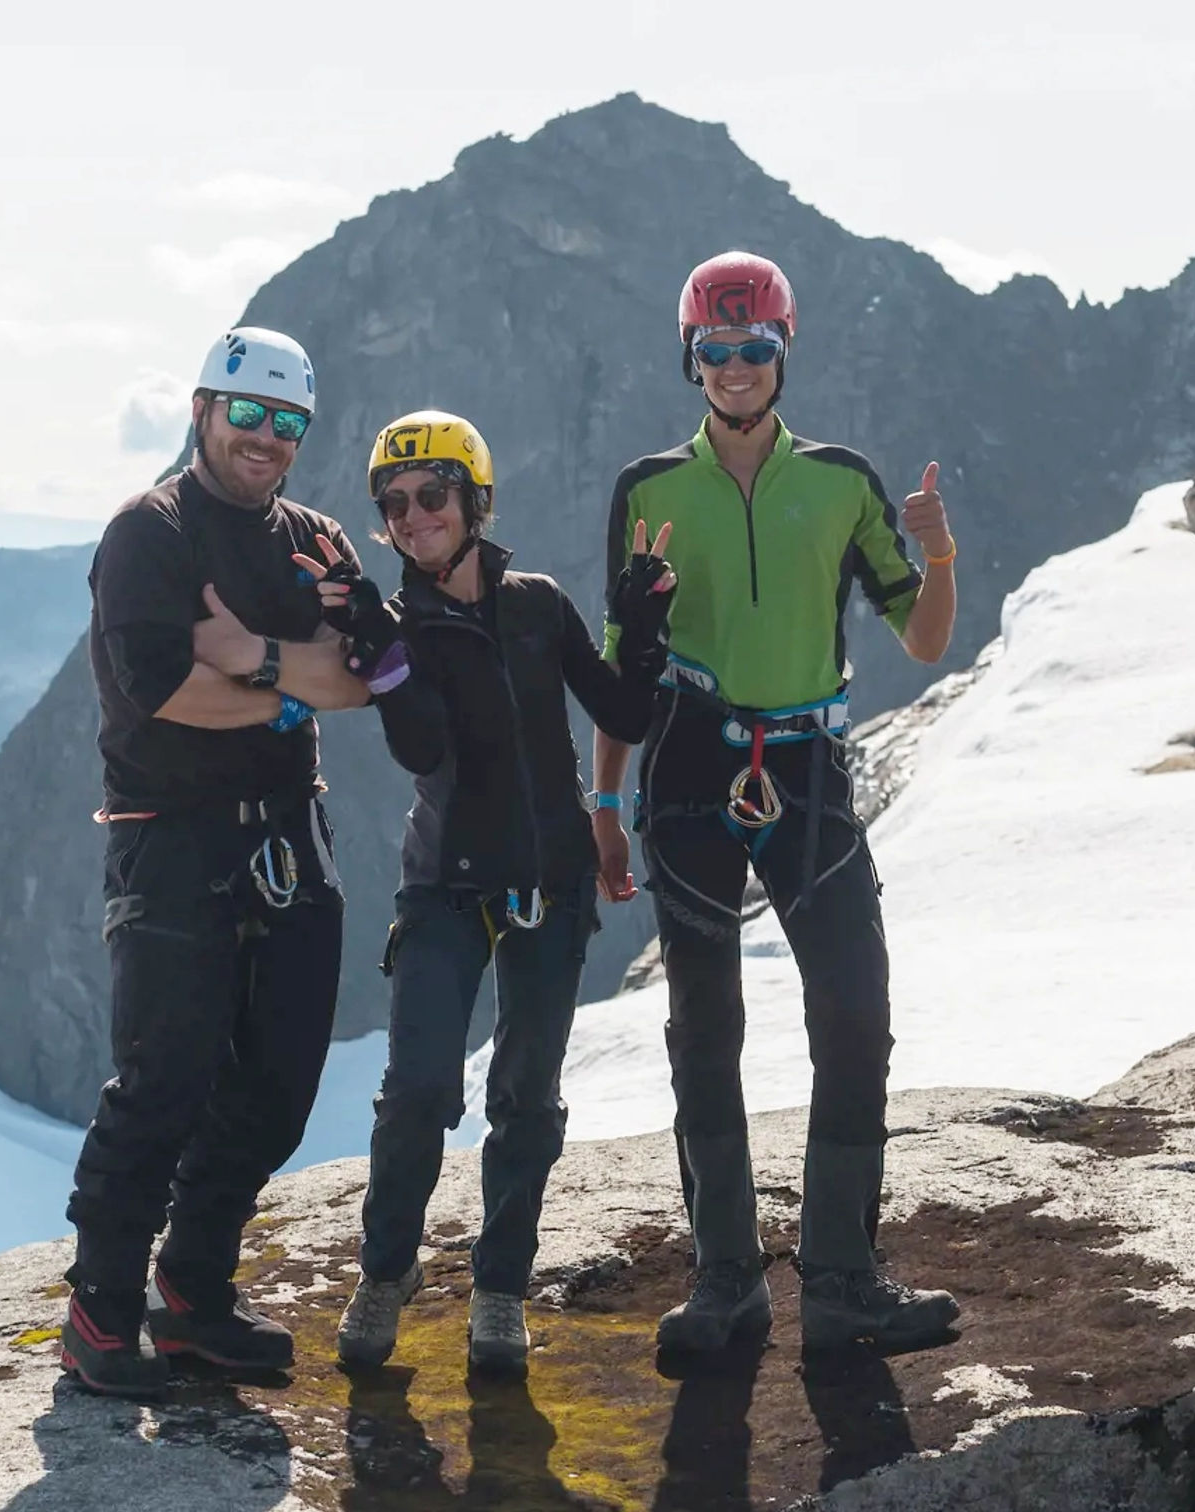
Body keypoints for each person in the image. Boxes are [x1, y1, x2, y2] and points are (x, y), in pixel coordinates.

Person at [591, 252, 962, 1357]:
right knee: (705, 1029)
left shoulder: (843, 482)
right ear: (689, 356)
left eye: (755, 349)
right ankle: (727, 1285)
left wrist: (937, 553)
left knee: (856, 1014)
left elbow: (925, 637)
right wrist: (602, 799)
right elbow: (624, 663)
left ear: (785, 350)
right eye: (716, 349)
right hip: (692, 764)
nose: (737, 366)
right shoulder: (647, 490)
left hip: (805, 768)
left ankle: (842, 1281)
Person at [293, 411, 678, 1376]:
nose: (413, 517)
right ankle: (386, 1275)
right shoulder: (397, 625)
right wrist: (378, 652)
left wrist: (642, 624)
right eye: (395, 505)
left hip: (549, 883)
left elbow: (626, 712)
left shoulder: (539, 605)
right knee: (419, 1090)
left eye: (432, 496)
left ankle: (499, 1292)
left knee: (527, 1098)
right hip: (446, 889)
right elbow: (423, 748)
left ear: (473, 500)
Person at [58, 326, 375, 1396]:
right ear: (202, 411)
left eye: (290, 424)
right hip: (171, 834)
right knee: (167, 1077)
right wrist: (293, 680)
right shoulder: (147, 534)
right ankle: (102, 1310)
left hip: (289, 830)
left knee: (279, 1081)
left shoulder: (317, 541)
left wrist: (251, 657)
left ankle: (193, 1291)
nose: (269, 440)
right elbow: (160, 691)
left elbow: (364, 676)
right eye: (250, 415)